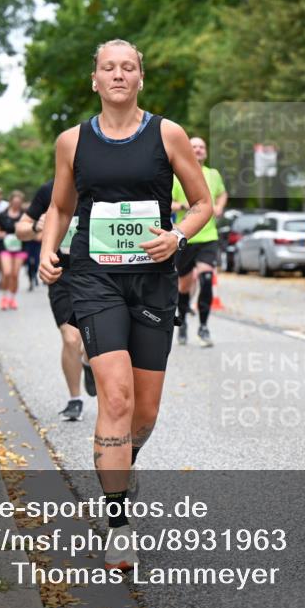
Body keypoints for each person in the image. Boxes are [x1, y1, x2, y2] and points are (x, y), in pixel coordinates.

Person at [38, 39, 211, 571]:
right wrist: (48, 250)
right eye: (108, 68)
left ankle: (120, 460)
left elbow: (202, 204)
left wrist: (177, 238)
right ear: (94, 80)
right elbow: (61, 205)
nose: (118, 74)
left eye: (128, 67)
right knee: (114, 398)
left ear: (140, 78)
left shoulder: (167, 133)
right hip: (94, 279)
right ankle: (117, 521)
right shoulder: (72, 141)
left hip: (153, 279)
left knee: (144, 411)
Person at [17, 179, 97, 421]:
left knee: (92, 338)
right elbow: (21, 229)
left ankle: (88, 361)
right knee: (71, 338)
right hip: (60, 273)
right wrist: (35, 228)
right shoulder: (49, 190)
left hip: (96, 272)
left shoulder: (101, 183)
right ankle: (75, 400)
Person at [171, 136, 228, 346]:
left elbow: (222, 194)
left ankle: (203, 327)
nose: (198, 150)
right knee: (184, 286)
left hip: (209, 236)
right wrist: (177, 206)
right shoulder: (178, 175)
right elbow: (165, 201)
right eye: (193, 146)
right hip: (185, 236)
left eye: (201, 147)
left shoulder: (213, 174)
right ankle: (183, 320)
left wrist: (220, 206)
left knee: (206, 280)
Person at [0, 191, 27, 310]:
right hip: (5, 247)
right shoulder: (3, 215)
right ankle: (4, 297)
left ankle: (12, 299)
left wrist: (24, 233)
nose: (16, 204)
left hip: (20, 247)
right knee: (7, 273)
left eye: (19, 202)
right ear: (11, 201)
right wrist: (0, 234)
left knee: (15, 274)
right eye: (15, 202)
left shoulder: (24, 215)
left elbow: (30, 228)